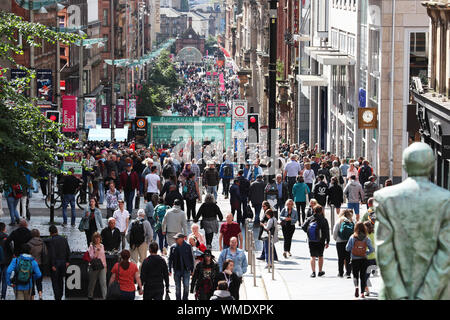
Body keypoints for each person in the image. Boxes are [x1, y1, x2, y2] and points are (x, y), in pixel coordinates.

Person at [345, 222, 374, 299]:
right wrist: (365, 253)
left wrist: (353, 251)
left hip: (354, 259)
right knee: (363, 276)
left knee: (355, 275)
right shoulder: (366, 238)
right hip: (364, 259)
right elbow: (372, 249)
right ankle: (362, 293)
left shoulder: (352, 237)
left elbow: (347, 248)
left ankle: (356, 287)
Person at [301, 205, 330, 278]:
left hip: (311, 240)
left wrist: (308, 233)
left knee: (312, 256)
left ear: (314, 211)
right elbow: (327, 231)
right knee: (320, 255)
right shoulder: (324, 220)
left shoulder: (310, 218)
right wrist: (328, 241)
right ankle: (320, 271)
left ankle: (313, 272)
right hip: (321, 240)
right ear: (321, 211)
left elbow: (303, 227)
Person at [45, 225, 70, 300]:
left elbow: (52, 253)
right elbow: (67, 250)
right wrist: (68, 261)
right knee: (61, 280)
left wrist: (52, 264)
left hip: (55, 263)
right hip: (63, 262)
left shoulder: (51, 241)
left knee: (55, 281)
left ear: (50, 233)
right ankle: (61, 294)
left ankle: (57, 297)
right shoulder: (64, 239)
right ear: (57, 231)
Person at [168, 233, 194, 300]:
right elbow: (170, 259)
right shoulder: (173, 247)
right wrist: (169, 269)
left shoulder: (188, 246)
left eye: (177, 238)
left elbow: (191, 258)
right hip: (177, 269)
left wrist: (192, 269)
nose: (175, 239)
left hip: (186, 269)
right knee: (178, 287)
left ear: (182, 239)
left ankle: (185, 298)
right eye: (175, 238)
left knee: (186, 286)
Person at [332, 209, 354, 278]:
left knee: (340, 258)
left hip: (340, 242)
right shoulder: (351, 221)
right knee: (348, 258)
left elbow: (335, 231)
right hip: (348, 241)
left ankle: (340, 272)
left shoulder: (339, 221)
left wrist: (336, 239)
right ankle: (348, 273)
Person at [27, 229, 47, 300]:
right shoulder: (42, 243)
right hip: (40, 264)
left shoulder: (29, 243)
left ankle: (32, 297)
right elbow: (45, 253)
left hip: (31, 264)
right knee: (39, 281)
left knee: (31, 281)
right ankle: (40, 294)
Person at [87, 232, 107, 300]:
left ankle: (105, 297)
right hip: (94, 267)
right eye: (96, 238)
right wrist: (97, 251)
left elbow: (103, 257)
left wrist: (105, 266)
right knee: (92, 282)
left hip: (102, 266)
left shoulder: (102, 246)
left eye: (98, 237)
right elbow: (92, 257)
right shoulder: (91, 246)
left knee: (103, 282)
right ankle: (90, 296)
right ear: (94, 239)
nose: (97, 239)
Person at [363, 220, 377, 297]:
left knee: (365, 275)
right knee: (368, 274)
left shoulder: (365, 236)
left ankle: (366, 289)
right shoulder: (374, 234)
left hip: (368, 258)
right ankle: (366, 288)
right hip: (374, 257)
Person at [0, 223, 8, 299]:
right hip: (5, 261)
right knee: (5, 279)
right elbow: (10, 249)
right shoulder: (6, 237)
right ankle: (3, 296)